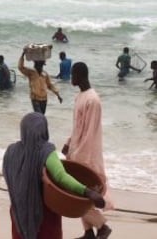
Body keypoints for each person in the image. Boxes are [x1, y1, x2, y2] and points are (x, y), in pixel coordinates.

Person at [3, 112, 105, 239]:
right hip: (43, 212)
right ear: (44, 130)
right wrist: (88, 192)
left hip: (19, 210)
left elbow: (7, 175)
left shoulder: (11, 151)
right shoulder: (46, 151)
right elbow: (61, 177)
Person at [62, 62, 113, 239]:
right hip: (76, 149)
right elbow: (77, 127)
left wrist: (78, 157)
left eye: (73, 74)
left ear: (81, 75)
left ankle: (102, 226)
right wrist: (69, 143)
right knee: (82, 196)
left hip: (87, 155)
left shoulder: (93, 100)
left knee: (77, 195)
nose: (71, 78)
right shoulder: (80, 96)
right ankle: (88, 232)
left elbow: (90, 133)